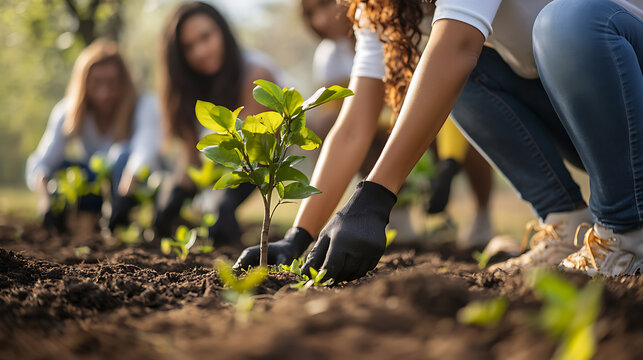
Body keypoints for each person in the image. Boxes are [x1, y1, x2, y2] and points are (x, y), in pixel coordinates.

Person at [236, 0, 643, 279]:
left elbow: (457, 45)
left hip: (626, 79)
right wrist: (298, 237)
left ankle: (627, 233)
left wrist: (376, 198)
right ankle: (566, 222)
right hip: (597, 129)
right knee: (456, 74)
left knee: (567, 25)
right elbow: (354, 124)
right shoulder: (381, 8)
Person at [302, 0, 494, 248]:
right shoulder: (341, 49)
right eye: (310, 14)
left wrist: (450, 160)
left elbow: (447, 87)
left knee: (470, 128)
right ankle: (397, 213)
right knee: (333, 122)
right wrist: (300, 234)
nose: (319, 21)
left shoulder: (420, 25)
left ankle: (482, 211)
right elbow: (351, 124)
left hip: (439, 122)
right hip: (389, 130)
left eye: (325, 6)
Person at [155, 1, 282, 246]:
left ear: (223, 32)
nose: (200, 51)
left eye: (206, 37)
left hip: (257, 164)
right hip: (222, 174)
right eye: (188, 46)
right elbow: (192, 157)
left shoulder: (255, 74)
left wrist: (226, 198)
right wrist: (176, 192)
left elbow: (257, 154)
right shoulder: (187, 88)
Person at [26, 39, 161, 234]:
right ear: (83, 83)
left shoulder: (143, 106)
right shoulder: (67, 111)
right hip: (96, 189)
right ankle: (66, 225)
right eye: (96, 83)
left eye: (112, 83)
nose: (104, 93)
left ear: (123, 83)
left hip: (135, 189)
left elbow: (144, 153)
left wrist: (125, 194)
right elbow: (42, 162)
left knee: (122, 155)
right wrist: (45, 202)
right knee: (63, 170)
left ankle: (127, 223)